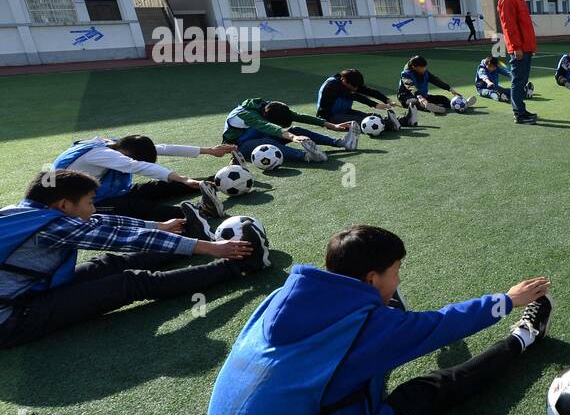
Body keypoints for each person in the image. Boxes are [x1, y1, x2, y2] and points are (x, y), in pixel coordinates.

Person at [202, 224, 553, 415]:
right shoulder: (368, 328)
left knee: (360, 356)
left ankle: (387, 312)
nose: (399, 279)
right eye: (396, 272)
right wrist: (508, 300)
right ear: (371, 278)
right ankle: (524, 337)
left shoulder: (280, 299)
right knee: (432, 389)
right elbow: (444, 324)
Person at [0, 170, 265, 349]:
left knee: (108, 265)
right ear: (64, 205)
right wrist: (212, 248)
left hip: (25, 294)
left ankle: (196, 242)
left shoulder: (25, 212)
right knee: (129, 283)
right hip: (12, 319)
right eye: (90, 201)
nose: (94, 208)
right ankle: (239, 264)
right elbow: (124, 239)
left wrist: (158, 226)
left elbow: (103, 221)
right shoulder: (52, 228)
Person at [51, 134, 230, 222]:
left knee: (155, 188)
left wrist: (210, 151)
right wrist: (183, 179)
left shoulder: (117, 144)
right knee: (137, 207)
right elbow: (136, 166)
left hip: (100, 192)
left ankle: (215, 180)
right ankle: (201, 212)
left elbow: (162, 148)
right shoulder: (101, 154)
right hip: (77, 206)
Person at [223, 98, 359, 163]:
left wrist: (332, 126)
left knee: (296, 129)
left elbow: (297, 116)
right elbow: (269, 127)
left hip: (258, 136)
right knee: (267, 140)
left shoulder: (267, 106)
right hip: (239, 147)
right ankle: (306, 156)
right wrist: (293, 138)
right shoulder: (246, 115)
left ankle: (342, 143)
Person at [496, 0, 539, 124]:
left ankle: (522, 110)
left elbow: (524, 25)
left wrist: (530, 47)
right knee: (518, 81)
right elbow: (509, 26)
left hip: (525, 47)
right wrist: (516, 47)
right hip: (519, 48)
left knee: (522, 80)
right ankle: (519, 114)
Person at [316, 68, 400, 132]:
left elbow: (368, 91)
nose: (356, 88)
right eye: (354, 87)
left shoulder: (348, 81)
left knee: (371, 117)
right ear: (344, 81)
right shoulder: (333, 85)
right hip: (329, 117)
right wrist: (376, 105)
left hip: (345, 111)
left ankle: (401, 120)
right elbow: (356, 96)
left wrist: (387, 100)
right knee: (364, 122)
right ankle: (390, 124)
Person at [397, 55, 476, 115]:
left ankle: (463, 104)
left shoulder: (425, 72)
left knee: (443, 99)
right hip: (407, 98)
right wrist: (420, 97)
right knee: (415, 103)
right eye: (422, 67)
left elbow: (435, 80)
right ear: (414, 67)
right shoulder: (405, 75)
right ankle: (429, 107)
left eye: (425, 67)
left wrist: (449, 89)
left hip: (423, 96)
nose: (424, 69)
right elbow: (411, 86)